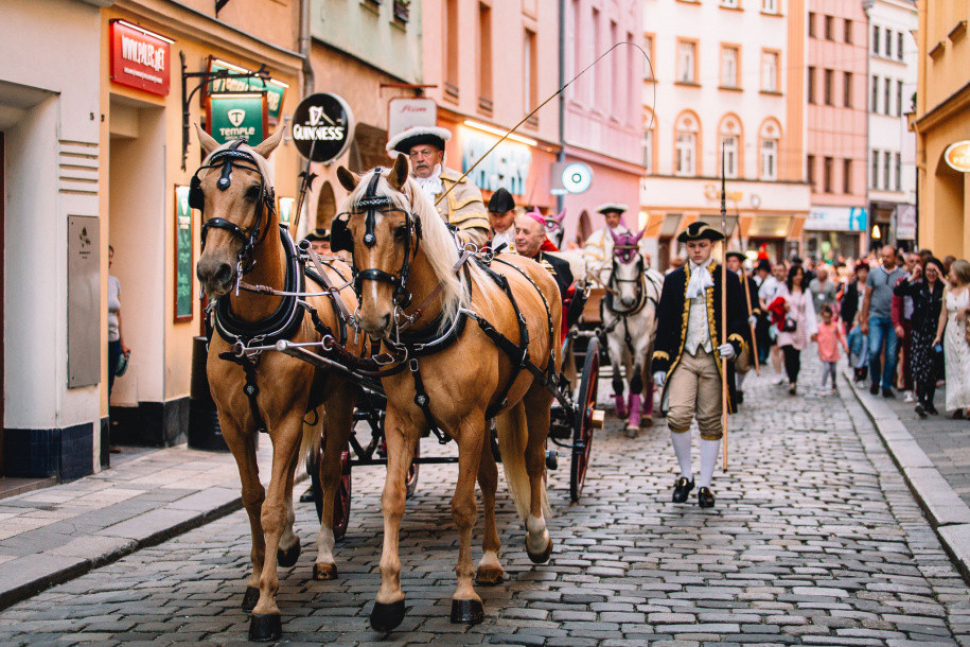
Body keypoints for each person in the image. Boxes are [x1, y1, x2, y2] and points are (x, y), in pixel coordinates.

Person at [651, 222, 748, 509]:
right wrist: (659, 361)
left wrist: (734, 342)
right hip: (683, 357)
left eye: (702, 245)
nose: (696, 250)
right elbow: (664, 324)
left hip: (714, 360)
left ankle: (705, 483)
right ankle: (685, 475)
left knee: (709, 420)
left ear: (712, 246)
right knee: (677, 415)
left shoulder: (729, 280)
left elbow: (741, 319)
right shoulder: (673, 280)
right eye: (692, 246)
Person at [386, 126, 489, 247]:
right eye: (414, 154)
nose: (419, 159)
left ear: (439, 156)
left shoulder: (462, 185)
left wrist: (453, 240)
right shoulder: (397, 187)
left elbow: (478, 232)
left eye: (425, 153)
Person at [895, 257, 946, 417]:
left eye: (934, 271)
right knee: (920, 366)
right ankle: (921, 401)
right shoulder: (918, 287)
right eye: (928, 271)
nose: (931, 274)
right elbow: (899, 291)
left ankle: (929, 401)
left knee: (933, 368)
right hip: (920, 331)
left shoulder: (941, 288)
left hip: (936, 332)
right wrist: (912, 276)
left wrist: (942, 278)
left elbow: (952, 292)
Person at [860, 244, 908, 398]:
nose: (885, 259)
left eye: (888, 256)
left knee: (891, 354)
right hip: (876, 316)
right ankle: (875, 380)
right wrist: (864, 320)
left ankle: (886, 385)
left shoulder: (903, 275)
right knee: (874, 350)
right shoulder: (874, 274)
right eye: (883, 256)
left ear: (895, 258)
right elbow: (867, 297)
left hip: (894, 319)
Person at [933, 259, 970, 419]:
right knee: (953, 367)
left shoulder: (968, 289)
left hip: (966, 331)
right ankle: (956, 404)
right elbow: (943, 313)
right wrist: (938, 335)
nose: (950, 275)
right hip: (951, 331)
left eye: (953, 272)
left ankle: (968, 403)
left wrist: (966, 309)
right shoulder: (947, 290)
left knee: (967, 367)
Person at [773, 265, 818, 395]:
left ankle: (794, 380)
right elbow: (775, 304)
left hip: (800, 327)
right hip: (786, 326)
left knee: (796, 356)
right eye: (796, 274)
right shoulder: (784, 289)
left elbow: (810, 311)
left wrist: (813, 330)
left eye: (800, 274)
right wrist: (783, 306)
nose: (798, 277)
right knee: (788, 352)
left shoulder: (806, 292)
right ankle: (790, 379)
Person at [726, 252, 760, 405]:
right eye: (729, 261)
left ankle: (738, 386)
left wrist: (754, 315)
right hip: (726, 323)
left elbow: (755, 302)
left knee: (742, 361)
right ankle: (729, 389)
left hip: (743, 325)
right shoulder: (723, 279)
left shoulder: (748, 282)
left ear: (740, 263)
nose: (732, 264)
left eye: (734, 261)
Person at [513, 213, 573, 298]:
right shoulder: (504, 262)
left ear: (541, 238)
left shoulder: (560, 266)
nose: (519, 237)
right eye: (517, 231)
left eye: (526, 232)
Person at [107, 246, 130, 454]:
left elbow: (119, 314)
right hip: (99, 342)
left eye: (112, 256)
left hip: (113, 341)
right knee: (103, 389)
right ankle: (105, 440)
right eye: (107, 256)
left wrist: (122, 342)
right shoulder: (94, 279)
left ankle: (109, 440)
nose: (110, 260)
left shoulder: (114, 282)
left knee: (111, 386)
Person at [760, 262, 789, 384]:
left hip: (786, 320)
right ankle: (778, 373)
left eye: (780, 270)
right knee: (775, 348)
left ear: (785, 271)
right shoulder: (768, 283)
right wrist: (765, 307)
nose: (778, 273)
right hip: (772, 320)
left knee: (786, 348)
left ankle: (786, 371)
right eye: (776, 270)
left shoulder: (788, 285)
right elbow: (761, 298)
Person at [582, 204, 634, 273]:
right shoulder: (597, 236)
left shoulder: (629, 235)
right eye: (608, 217)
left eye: (614, 217)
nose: (611, 219)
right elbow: (589, 258)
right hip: (603, 273)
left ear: (619, 217)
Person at [816, 305, 848, 395]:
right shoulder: (819, 327)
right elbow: (815, 338)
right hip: (824, 351)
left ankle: (834, 383)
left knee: (833, 370)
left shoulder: (834, 326)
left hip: (833, 351)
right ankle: (822, 386)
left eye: (828, 317)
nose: (826, 319)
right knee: (826, 368)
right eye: (824, 317)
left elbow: (839, 337)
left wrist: (845, 345)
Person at [487, 188, 517, 254]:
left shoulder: (521, 234)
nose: (498, 221)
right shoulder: (484, 236)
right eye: (494, 215)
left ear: (514, 213)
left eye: (503, 215)